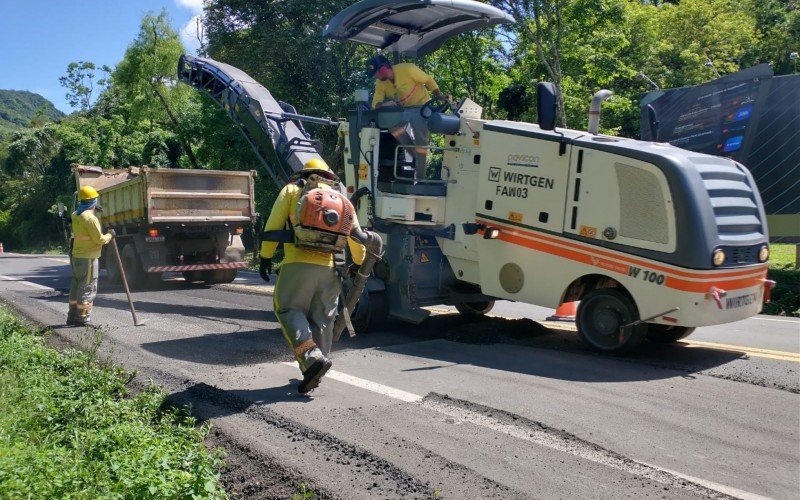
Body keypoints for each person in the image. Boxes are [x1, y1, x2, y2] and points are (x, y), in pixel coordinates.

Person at [259, 158, 366, 394]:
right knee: (323, 320)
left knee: (288, 309)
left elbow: (273, 226)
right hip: (330, 271)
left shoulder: (292, 190)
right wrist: (358, 264)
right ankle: (315, 367)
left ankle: (311, 360)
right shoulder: (342, 200)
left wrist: (265, 256)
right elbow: (356, 237)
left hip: (297, 265)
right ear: (328, 177)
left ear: (305, 174)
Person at [367, 54, 450, 180]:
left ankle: (420, 178)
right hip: (403, 110)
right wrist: (385, 104)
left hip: (421, 106)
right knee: (393, 127)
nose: (375, 77)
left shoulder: (407, 69)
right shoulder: (380, 83)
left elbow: (428, 80)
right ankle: (415, 155)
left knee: (422, 141)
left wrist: (439, 96)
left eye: (376, 73)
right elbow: (375, 105)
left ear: (383, 69)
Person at [67, 185, 113, 326]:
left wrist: (93, 210)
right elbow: (99, 239)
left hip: (77, 256)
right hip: (88, 258)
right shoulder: (91, 219)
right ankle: (83, 318)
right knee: (87, 289)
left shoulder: (75, 215)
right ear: (93, 201)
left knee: (76, 287)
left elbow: (83, 224)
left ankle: (72, 316)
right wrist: (110, 235)